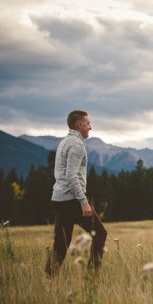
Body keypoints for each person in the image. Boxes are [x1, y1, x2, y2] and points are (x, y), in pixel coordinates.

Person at [45, 110, 107, 276]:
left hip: (58, 198)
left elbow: (61, 173)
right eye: (88, 123)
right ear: (79, 125)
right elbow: (71, 175)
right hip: (71, 199)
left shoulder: (64, 142)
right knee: (100, 234)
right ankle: (92, 277)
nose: (90, 127)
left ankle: (49, 277)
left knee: (61, 243)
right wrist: (83, 201)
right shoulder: (77, 145)